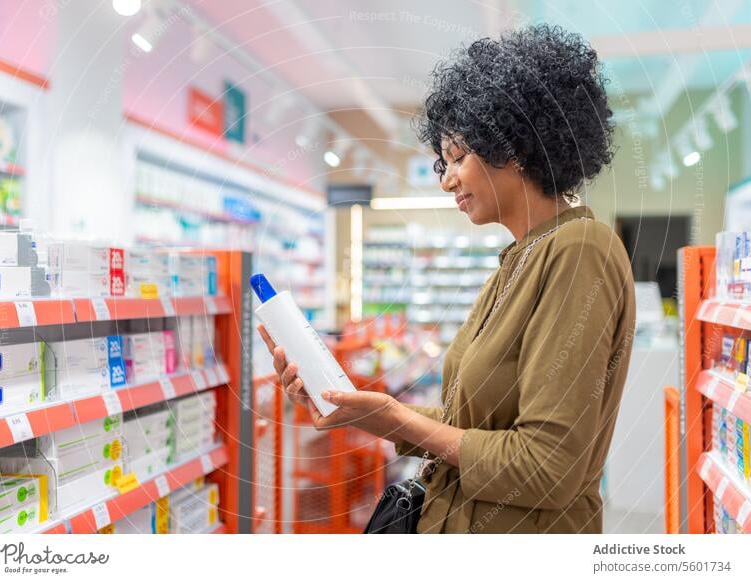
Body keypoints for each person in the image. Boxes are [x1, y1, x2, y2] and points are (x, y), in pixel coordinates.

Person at [258, 24, 635, 533]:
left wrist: (396, 416)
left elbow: (549, 468)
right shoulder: (519, 258)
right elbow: (477, 423)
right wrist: (359, 411)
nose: (446, 179)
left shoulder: (579, 251)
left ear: (515, 146)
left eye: (458, 157)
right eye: (443, 161)